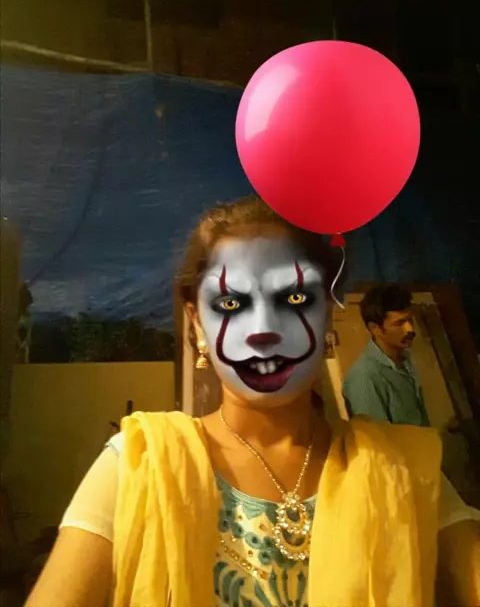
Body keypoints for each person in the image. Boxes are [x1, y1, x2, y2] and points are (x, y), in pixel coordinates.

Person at [26, 197, 479, 607]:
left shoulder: (402, 469)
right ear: (196, 323)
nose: (263, 329)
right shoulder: (137, 466)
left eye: (295, 297)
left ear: (328, 314)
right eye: (229, 303)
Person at [343, 284, 431, 426]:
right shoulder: (365, 376)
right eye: (399, 323)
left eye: (410, 320)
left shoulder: (406, 361)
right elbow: (376, 436)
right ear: (375, 329)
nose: (410, 329)